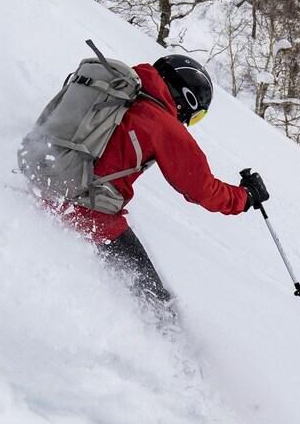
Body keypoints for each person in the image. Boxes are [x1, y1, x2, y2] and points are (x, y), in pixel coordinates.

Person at [58, 53, 270, 310]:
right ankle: (163, 343)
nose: (188, 123)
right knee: (154, 300)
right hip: (90, 215)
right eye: (195, 116)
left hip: (50, 184)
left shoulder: (117, 89)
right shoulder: (164, 124)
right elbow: (203, 189)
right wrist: (245, 197)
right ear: (187, 98)